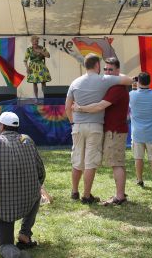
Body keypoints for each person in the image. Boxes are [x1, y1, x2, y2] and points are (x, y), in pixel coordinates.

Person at [0, 112, 45, 257]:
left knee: (5, 245)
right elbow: (41, 173)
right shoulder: (28, 140)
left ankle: (15, 253)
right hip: (28, 201)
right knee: (38, 192)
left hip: (1, 206)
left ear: (2, 126)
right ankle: (25, 233)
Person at [65, 53, 132, 204]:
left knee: (77, 160)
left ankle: (74, 191)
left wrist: (72, 123)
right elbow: (130, 80)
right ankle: (86, 195)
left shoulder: (75, 82)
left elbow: (67, 107)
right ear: (97, 66)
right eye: (104, 68)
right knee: (90, 162)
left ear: (85, 65)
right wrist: (115, 74)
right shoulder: (105, 80)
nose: (106, 71)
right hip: (95, 126)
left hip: (77, 126)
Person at [129, 72, 152, 189]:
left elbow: (133, 93)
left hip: (137, 133)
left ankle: (139, 180)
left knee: (138, 158)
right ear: (150, 81)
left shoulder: (132, 95)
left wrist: (134, 84)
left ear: (138, 82)